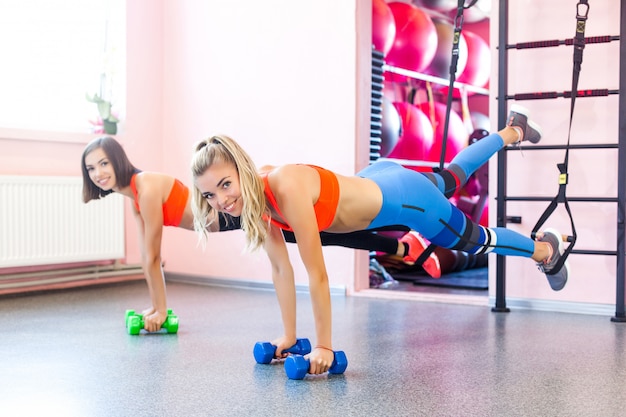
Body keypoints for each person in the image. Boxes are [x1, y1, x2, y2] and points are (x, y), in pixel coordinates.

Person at [190, 105, 569, 375]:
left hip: (405, 201)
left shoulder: (284, 186)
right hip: (381, 178)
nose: (223, 200)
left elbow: (317, 274)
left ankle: (546, 249)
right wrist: (289, 336)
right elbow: (280, 271)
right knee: (451, 178)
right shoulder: (258, 203)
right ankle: (514, 129)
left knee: (473, 241)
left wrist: (323, 345)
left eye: (225, 185)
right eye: (210, 195)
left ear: (241, 168)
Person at [80, 137, 437, 331]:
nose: (98, 173)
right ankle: (403, 245)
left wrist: (159, 310)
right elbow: (150, 257)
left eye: (103, 163)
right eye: (91, 168)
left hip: (230, 215)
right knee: (324, 234)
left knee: (323, 232)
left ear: (118, 159)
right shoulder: (135, 199)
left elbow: (152, 257)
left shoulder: (147, 187)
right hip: (227, 212)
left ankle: (404, 237)